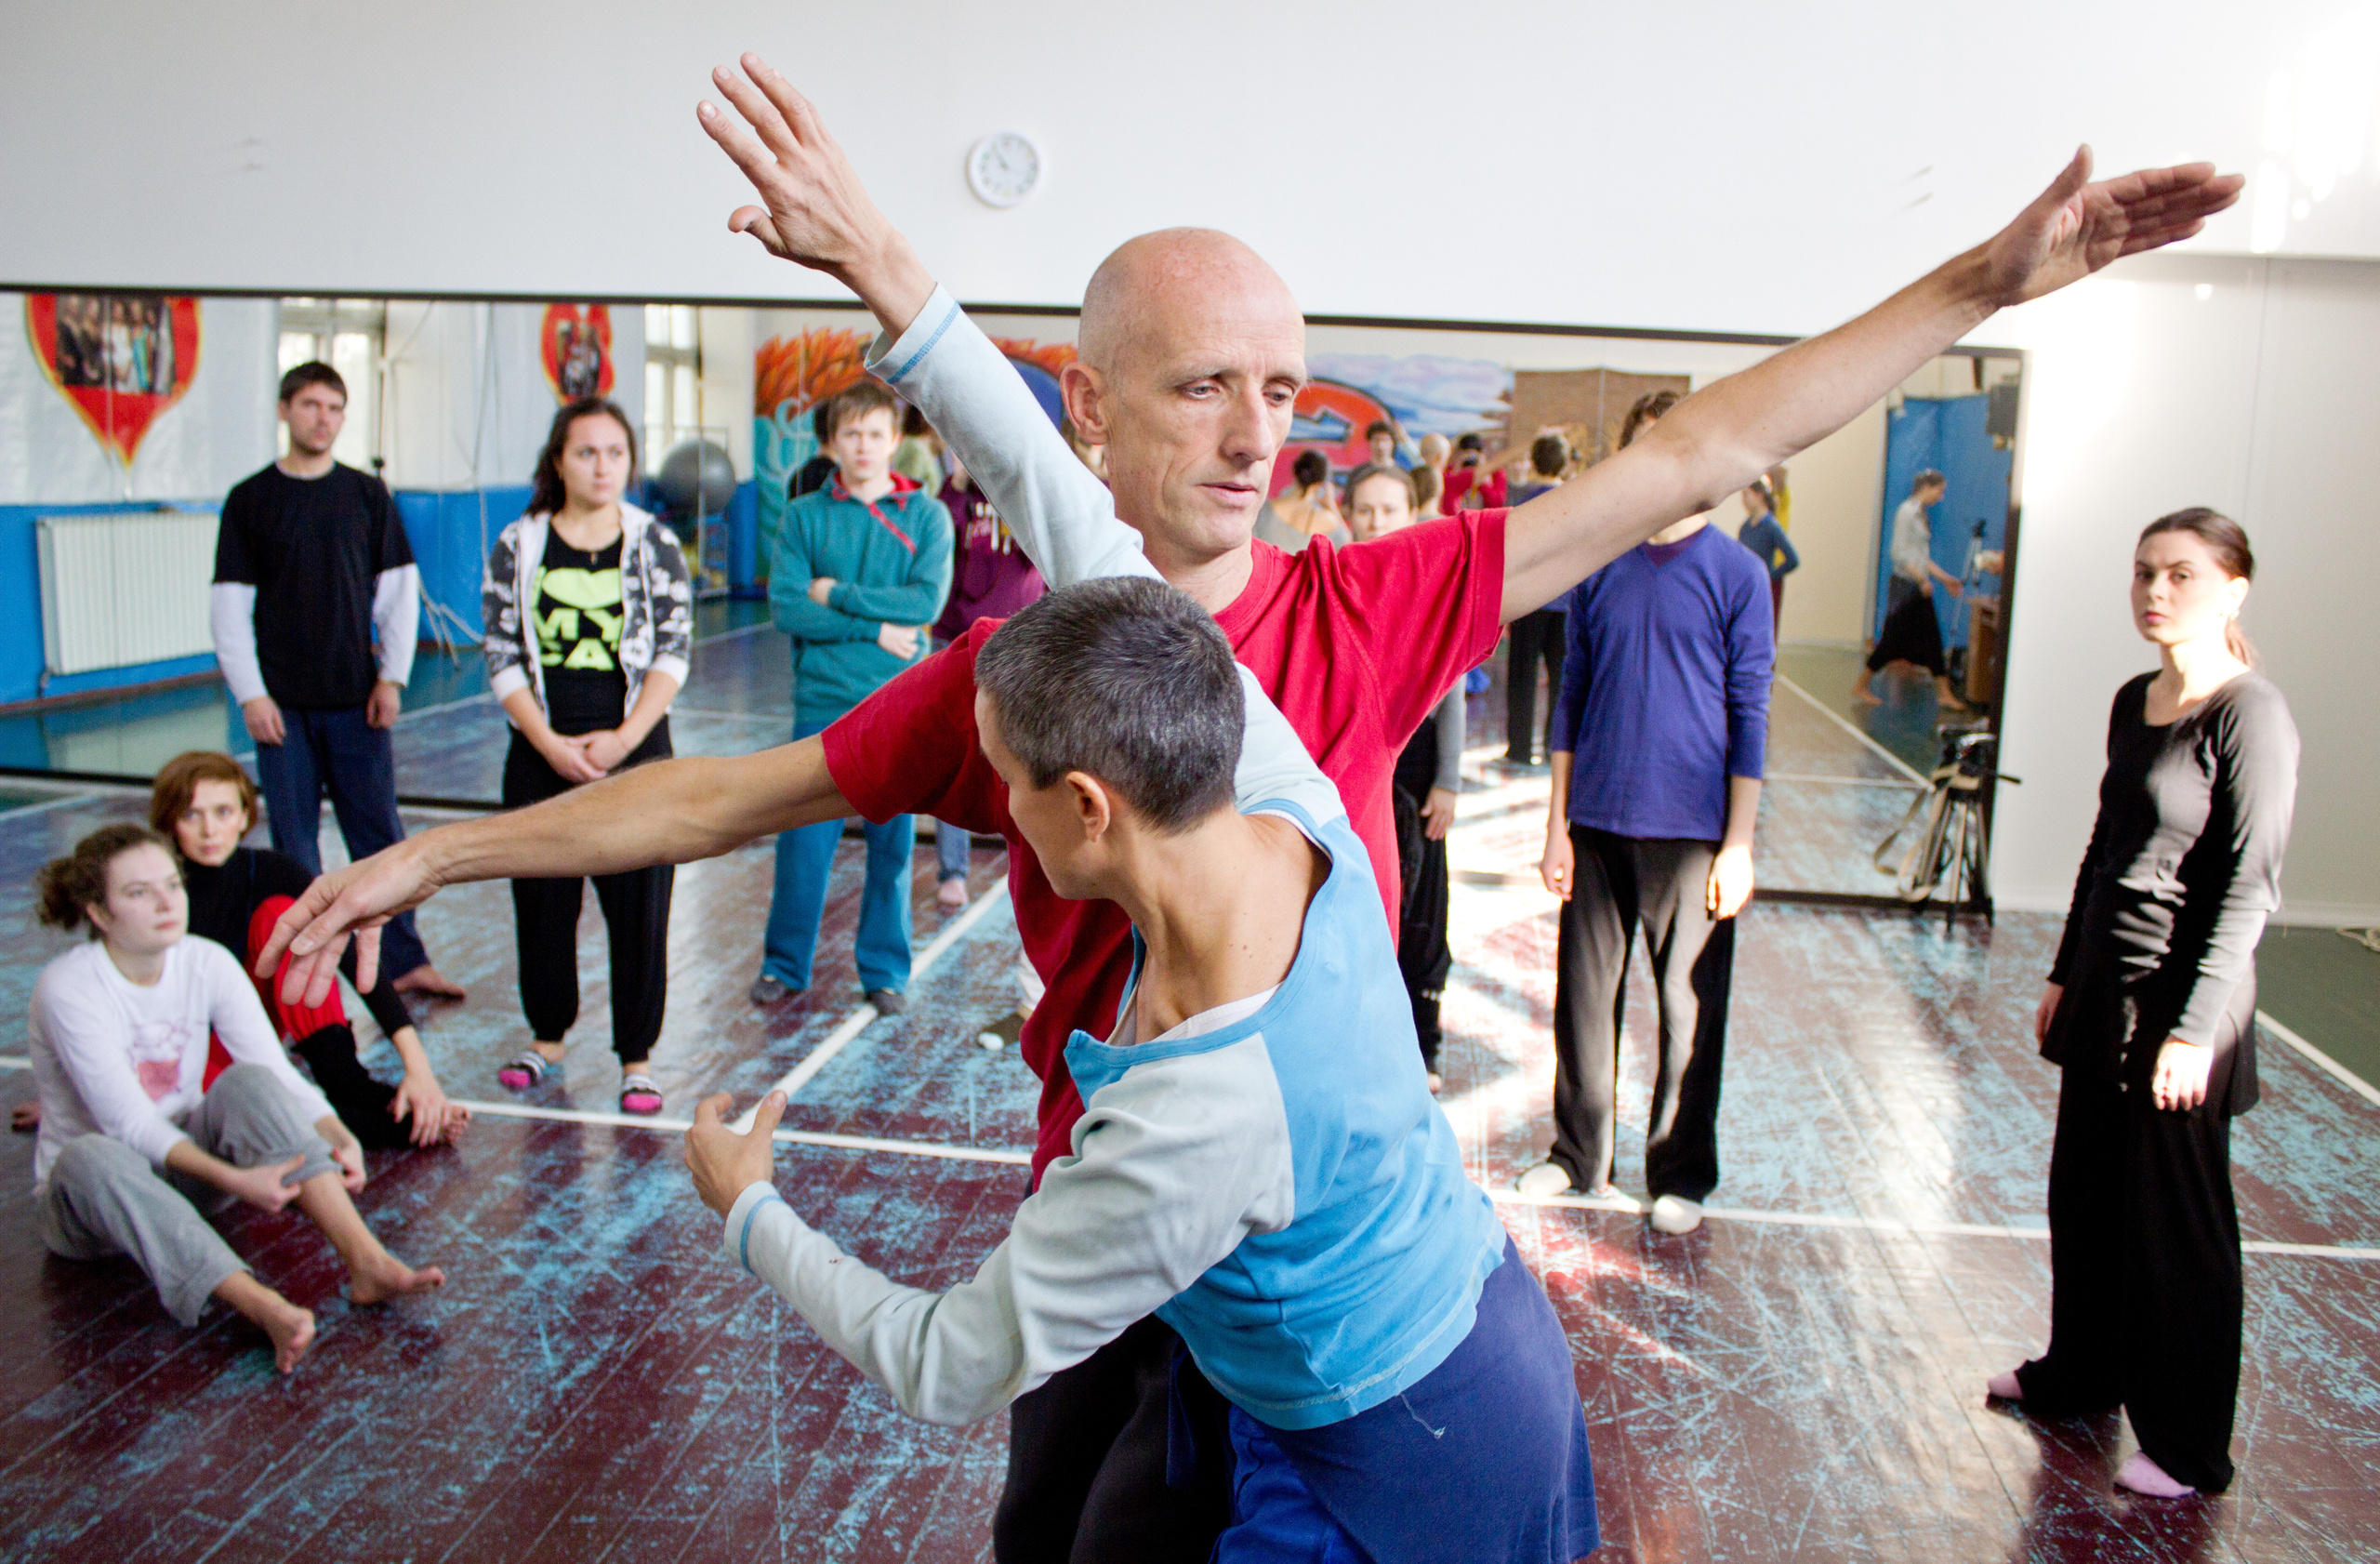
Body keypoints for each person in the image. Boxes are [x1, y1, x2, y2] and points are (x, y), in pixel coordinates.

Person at [261, 61, 2236, 1561]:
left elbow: (1711, 439)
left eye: (1281, 387)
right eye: (1202, 385)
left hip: (1327, 1282)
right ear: (1097, 411)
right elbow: (717, 789)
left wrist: (1987, 277)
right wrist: (445, 841)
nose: (1255, 430)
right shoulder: (1029, 674)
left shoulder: (1356, 617)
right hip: (1121, 1260)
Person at [686, 577, 1596, 1564]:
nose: (996, 806)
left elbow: (944, 1361)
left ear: (1084, 804)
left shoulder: (1199, 1110)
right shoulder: (1296, 803)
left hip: (1398, 1462)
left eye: (1003, 780)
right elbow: (1104, 548)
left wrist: (750, 1211)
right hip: (1477, 1329)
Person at [1987, 510, 2295, 1500]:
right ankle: (2077, 1375)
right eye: (2143, 575)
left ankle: (2189, 1442)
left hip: (2183, 999)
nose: (2155, 591)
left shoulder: (2250, 714)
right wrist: (2063, 967)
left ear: (2233, 588)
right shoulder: (2136, 697)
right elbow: (2103, 840)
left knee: (2178, 1229)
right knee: (2085, 1197)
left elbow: (2251, 884)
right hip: (2105, 989)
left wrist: (2196, 1029)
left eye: (2180, 575)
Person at [28, 824, 443, 1375]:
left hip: (186, 1174)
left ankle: (367, 1261)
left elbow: (272, 1068)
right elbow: (128, 1124)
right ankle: (262, 1306)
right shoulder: (69, 986)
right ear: (99, 914)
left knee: (247, 1082)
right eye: (138, 892)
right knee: (91, 1153)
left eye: (172, 885)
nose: (166, 903)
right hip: (93, 1209)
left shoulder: (205, 961)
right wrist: (237, 1181)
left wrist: (331, 1126)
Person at [1521, 391, 1773, 1236]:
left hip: (1694, 831)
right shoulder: (1600, 567)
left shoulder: (1738, 575)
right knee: (1584, 998)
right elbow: (1571, 697)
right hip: (1597, 819)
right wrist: (1556, 823)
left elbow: (1751, 712)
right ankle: (1576, 1155)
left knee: (1685, 1007)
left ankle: (1680, 1173)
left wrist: (1739, 842)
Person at [209, 362, 464, 999]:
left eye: (334, 407)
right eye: (310, 405)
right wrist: (252, 694)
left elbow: (399, 595)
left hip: (357, 703)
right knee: (295, 849)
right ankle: (305, 981)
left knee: (379, 836)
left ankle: (404, 962)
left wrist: (393, 679)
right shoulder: (250, 500)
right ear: (284, 411)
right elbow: (229, 605)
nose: (323, 418)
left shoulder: (366, 495)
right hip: (282, 712)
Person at [483, 397, 692, 1115]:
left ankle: (637, 1056)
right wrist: (545, 741)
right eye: (586, 452)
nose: (602, 466)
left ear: (630, 461)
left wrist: (626, 739)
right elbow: (502, 652)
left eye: (614, 452)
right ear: (558, 461)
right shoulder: (520, 542)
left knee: (640, 905)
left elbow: (673, 648)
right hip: (543, 753)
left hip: (634, 751)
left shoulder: (653, 541)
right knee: (541, 902)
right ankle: (546, 1040)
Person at [750, 378, 953, 1014]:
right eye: (850, 435)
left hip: (898, 703)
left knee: (891, 848)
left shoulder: (926, 515)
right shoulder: (804, 516)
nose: (863, 446)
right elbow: (787, 608)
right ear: (831, 443)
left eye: (874, 434)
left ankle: (885, 972)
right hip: (822, 700)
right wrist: (875, 627)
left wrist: (834, 593)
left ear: (894, 441)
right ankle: (784, 966)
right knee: (803, 842)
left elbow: (924, 604)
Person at [151, 750, 465, 1148]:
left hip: (255, 1025)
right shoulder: (157, 888)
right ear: (170, 822)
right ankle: (386, 1122)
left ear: (246, 816)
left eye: (223, 812)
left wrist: (419, 1069)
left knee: (283, 916)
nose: (209, 830)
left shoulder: (272, 871)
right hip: (187, 1040)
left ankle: (348, 1083)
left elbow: (353, 960)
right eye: (192, 815)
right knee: (249, 1110)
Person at [1347, 464, 1464, 1089]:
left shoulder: (1429, 591)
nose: (1376, 522)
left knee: (1423, 909)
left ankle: (1423, 1046)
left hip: (1417, 773)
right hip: (1356, 767)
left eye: (1388, 510)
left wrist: (1448, 778)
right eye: (1365, 510)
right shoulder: (1333, 586)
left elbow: (1452, 696)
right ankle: (1358, 1038)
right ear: (1349, 517)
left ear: (1411, 514)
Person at [930, 451, 1046, 911]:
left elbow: (1040, 549)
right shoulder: (955, 494)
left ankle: (1031, 857)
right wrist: (958, 485)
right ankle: (952, 869)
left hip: (1020, 637)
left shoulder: (1026, 492)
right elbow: (941, 543)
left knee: (1025, 757)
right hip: (958, 636)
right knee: (954, 754)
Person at [1853, 469, 1971, 711]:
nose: (1940, 496)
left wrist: (1946, 579)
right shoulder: (1907, 513)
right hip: (1905, 588)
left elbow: (1922, 558)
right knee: (1892, 640)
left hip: (1917, 587)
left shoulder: (1920, 515)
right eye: (1939, 491)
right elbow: (1899, 554)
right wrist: (1920, 580)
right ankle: (1861, 684)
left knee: (1932, 639)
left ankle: (1944, 692)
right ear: (1927, 487)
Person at [1498, 431, 1575, 769]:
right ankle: (1552, 748)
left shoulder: (1524, 505)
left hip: (1529, 602)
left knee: (1522, 677)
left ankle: (1518, 748)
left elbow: (1512, 556)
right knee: (1561, 679)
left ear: (1534, 463)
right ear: (1566, 463)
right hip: (1567, 604)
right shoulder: (1576, 503)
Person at [1250, 447, 1344, 552]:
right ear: (1320, 484)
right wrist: (1331, 505)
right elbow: (1346, 542)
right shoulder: (1326, 519)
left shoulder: (1264, 508)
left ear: (1296, 471)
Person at [1736, 476, 1801, 626]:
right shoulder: (1745, 527)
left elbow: (1793, 560)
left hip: (1763, 590)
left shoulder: (1771, 526)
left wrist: (1769, 576)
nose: (1743, 500)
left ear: (1759, 496)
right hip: (1745, 588)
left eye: (1746, 495)